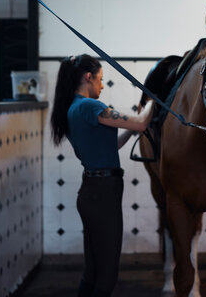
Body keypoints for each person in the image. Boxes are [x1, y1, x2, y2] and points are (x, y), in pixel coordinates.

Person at [50, 54, 154, 297]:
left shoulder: (73, 109)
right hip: (103, 194)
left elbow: (113, 143)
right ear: (88, 77)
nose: (101, 85)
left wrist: (132, 130)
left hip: (91, 192)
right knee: (107, 276)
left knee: (93, 270)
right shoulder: (90, 106)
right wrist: (153, 100)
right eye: (100, 79)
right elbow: (140, 122)